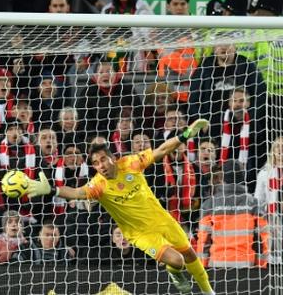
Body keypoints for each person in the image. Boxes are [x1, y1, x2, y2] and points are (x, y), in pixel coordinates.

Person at [25, 119, 216, 295]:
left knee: (190, 253)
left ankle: (209, 292)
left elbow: (162, 150)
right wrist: (51, 190)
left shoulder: (130, 163)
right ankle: (175, 272)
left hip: (162, 219)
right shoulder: (98, 185)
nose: (100, 166)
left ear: (112, 158)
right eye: (95, 164)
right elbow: (76, 193)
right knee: (178, 261)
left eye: (102, 160)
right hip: (139, 233)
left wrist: (186, 134)